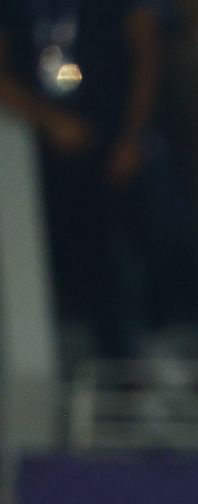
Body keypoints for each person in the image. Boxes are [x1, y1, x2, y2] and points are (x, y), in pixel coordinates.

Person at [0, 0, 163, 358]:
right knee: (43, 252)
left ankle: (125, 351)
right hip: (33, 149)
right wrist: (48, 120)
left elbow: (147, 53)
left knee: (120, 247)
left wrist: (133, 136)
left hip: (109, 140)